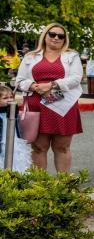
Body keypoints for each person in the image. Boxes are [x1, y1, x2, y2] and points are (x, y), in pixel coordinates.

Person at [14, 23, 84, 173]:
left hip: (63, 105)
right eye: (52, 34)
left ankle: (63, 189)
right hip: (36, 105)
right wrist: (34, 86)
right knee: (38, 147)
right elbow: (19, 81)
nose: (56, 38)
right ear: (45, 36)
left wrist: (51, 85)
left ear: (65, 39)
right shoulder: (30, 56)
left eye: (61, 36)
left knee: (62, 147)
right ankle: (41, 189)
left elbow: (76, 79)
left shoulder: (72, 56)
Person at [0, 84, 32, 171]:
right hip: (2, 141)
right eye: (5, 98)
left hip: (13, 140)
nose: (10, 100)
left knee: (15, 159)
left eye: (11, 97)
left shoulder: (13, 110)